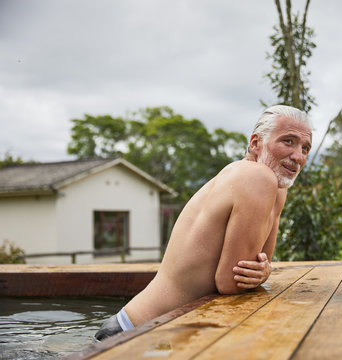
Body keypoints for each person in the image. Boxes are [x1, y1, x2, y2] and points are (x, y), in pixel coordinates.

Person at [93, 105, 312, 341]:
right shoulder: (256, 177)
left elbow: (258, 264)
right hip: (133, 335)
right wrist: (262, 272)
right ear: (256, 143)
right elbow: (233, 281)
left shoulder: (276, 188)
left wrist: (264, 270)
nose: (298, 156)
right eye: (288, 141)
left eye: (305, 148)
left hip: (156, 332)